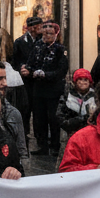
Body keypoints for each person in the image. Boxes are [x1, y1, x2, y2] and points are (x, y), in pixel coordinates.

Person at [29, 22, 68, 158]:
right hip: (39, 89)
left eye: (50, 33)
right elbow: (30, 64)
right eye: (45, 33)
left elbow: (61, 71)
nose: (47, 36)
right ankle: (42, 145)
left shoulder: (60, 49)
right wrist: (30, 71)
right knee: (39, 119)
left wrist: (46, 74)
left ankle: (55, 146)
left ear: (56, 34)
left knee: (54, 119)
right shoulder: (37, 48)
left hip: (53, 90)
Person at [56, 68, 98, 163]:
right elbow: (60, 117)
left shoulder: (96, 97)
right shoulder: (67, 96)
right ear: (75, 81)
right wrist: (77, 121)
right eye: (80, 79)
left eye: (85, 80)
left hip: (90, 136)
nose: (83, 82)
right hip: (70, 134)